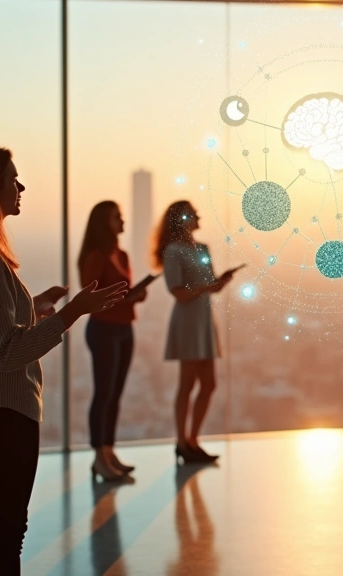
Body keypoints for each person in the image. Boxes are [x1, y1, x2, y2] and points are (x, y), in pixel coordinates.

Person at [0, 147, 126, 575]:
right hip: (2, 409)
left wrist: (34, 307)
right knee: (6, 529)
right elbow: (6, 352)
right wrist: (71, 313)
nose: (20, 187)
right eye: (12, 180)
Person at [155, 200, 235, 464]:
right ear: (182, 220)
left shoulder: (202, 248)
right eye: (192, 213)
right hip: (188, 320)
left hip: (202, 317)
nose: (198, 215)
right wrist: (205, 287)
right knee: (188, 383)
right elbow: (177, 291)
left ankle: (192, 439)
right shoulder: (173, 251)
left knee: (209, 384)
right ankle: (183, 441)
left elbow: (208, 287)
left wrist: (220, 282)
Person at [78, 200, 148, 481]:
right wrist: (125, 298)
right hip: (104, 329)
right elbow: (90, 300)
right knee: (103, 393)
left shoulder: (122, 254)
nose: (122, 221)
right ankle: (99, 457)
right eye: (116, 217)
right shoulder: (96, 255)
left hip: (124, 328)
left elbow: (123, 291)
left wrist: (134, 296)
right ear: (103, 223)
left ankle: (108, 450)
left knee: (114, 394)